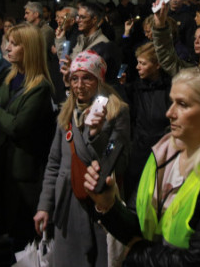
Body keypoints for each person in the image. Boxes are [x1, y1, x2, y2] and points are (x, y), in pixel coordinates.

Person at [84, 67, 200, 265]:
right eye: (172, 102)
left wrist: (137, 253)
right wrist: (108, 205)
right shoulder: (161, 154)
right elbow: (138, 226)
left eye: (183, 104)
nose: (169, 113)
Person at [34, 51, 130, 266]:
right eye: (74, 78)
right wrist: (44, 206)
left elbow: (119, 160)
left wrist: (97, 135)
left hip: (100, 204)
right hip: (67, 205)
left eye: (87, 78)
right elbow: (54, 163)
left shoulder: (117, 111)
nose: (79, 85)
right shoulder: (67, 112)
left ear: (99, 80)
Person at [0, 23, 56, 251]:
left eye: (14, 44)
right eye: (8, 43)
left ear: (28, 48)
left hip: (24, 174)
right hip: (5, 167)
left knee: (24, 238)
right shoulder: (10, 78)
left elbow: (17, 126)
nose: (8, 48)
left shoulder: (39, 87)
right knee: (11, 233)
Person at [121, 42, 173, 202]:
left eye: (143, 63)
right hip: (139, 150)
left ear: (157, 65)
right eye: (138, 62)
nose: (138, 67)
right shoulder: (135, 87)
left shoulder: (171, 88)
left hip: (163, 152)